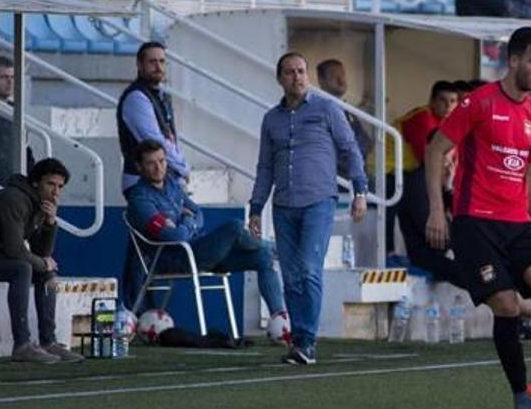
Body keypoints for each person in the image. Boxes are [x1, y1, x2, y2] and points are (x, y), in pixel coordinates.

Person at [425, 27, 531, 409]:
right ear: (512, 60)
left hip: (517, 221)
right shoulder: (478, 103)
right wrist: (435, 211)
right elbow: (435, 150)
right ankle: (520, 394)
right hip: (474, 221)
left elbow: (528, 173)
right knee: (507, 307)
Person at [249, 52, 368, 366]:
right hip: (283, 205)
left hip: (318, 201)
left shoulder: (327, 108)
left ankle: (306, 341)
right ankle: (299, 340)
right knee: (290, 276)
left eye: (301, 71)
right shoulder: (271, 119)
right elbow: (264, 167)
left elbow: (350, 149)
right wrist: (255, 207)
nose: (297, 77)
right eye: (290, 72)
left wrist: (360, 190)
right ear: (280, 78)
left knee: (309, 269)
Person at [126, 139, 285, 318]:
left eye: (162, 161)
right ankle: (279, 250)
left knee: (263, 257)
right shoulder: (140, 199)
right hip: (173, 259)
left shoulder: (171, 185)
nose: (158, 167)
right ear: (139, 167)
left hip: (198, 251)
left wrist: (186, 222)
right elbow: (175, 236)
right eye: (151, 163)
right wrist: (187, 220)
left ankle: (280, 320)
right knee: (234, 227)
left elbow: (198, 213)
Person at [0, 158, 84, 363]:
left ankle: (48, 341)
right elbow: (14, 249)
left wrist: (51, 222)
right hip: (1, 256)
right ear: (35, 182)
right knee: (22, 268)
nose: (56, 192)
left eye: (60, 186)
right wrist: (44, 263)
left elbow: (41, 251)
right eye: (50, 184)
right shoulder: (14, 199)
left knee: (42, 270)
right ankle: (22, 344)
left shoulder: (37, 204)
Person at [393, 82, 460, 280]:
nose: (449, 107)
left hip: (413, 176)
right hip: (387, 172)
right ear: (432, 101)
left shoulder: (446, 125)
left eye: (453, 101)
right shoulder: (423, 117)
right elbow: (428, 159)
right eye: (443, 100)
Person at [117, 41, 190, 194]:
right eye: (152, 62)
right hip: (141, 183)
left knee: (193, 215)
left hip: (164, 181)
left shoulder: (161, 95)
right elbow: (154, 140)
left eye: (162, 61)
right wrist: (182, 167)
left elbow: (170, 138)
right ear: (139, 64)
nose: (158, 67)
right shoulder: (136, 98)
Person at [316, 58, 373, 163]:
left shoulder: (345, 109)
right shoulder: (319, 110)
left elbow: (367, 143)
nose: (340, 80)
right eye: (334, 76)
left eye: (342, 74)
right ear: (321, 80)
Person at [0, 56, 35, 189]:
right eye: (4, 77)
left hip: (12, 183)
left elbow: (25, 148)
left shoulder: (17, 110)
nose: (10, 82)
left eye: (13, 77)